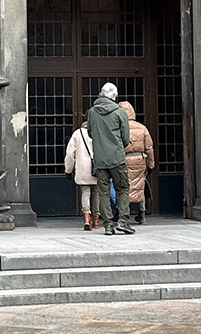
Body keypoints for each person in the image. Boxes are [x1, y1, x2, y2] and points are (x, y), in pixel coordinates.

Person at [85, 81, 132, 235]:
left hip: (100, 159)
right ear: (115, 96)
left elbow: (90, 133)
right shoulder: (119, 112)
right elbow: (125, 138)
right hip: (117, 158)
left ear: (101, 93)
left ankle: (108, 225)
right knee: (123, 188)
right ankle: (123, 221)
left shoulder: (92, 112)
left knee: (103, 192)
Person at [120, 101, 155, 225]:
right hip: (140, 160)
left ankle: (124, 214)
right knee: (140, 186)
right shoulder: (142, 128)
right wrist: (151, 164)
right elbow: (149, 148)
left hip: (124, 160)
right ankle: (142, 213)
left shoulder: (120, 127)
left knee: (124, 187)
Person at [62, 121, 96, 231]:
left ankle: (86, 219)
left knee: (85, 192)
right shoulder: (98, 132)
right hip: (97, 167)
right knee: (97, 194)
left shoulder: (77, 134)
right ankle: (96, 220)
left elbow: (70, 154)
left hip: (83, 168)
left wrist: (68, 170)